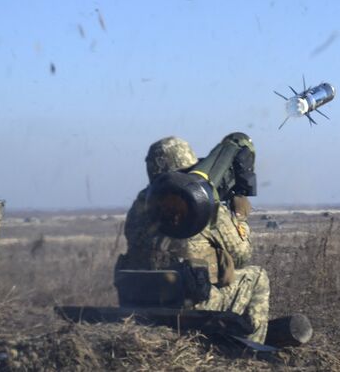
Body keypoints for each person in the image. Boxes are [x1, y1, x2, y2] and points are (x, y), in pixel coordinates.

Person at [114, 136, 270, 343]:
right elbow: (242, 255)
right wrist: (239, 217)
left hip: (141, 304)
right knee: (258, 277)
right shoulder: (200, 205)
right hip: (192, 307)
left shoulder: (139, 207)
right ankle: (249, 352)